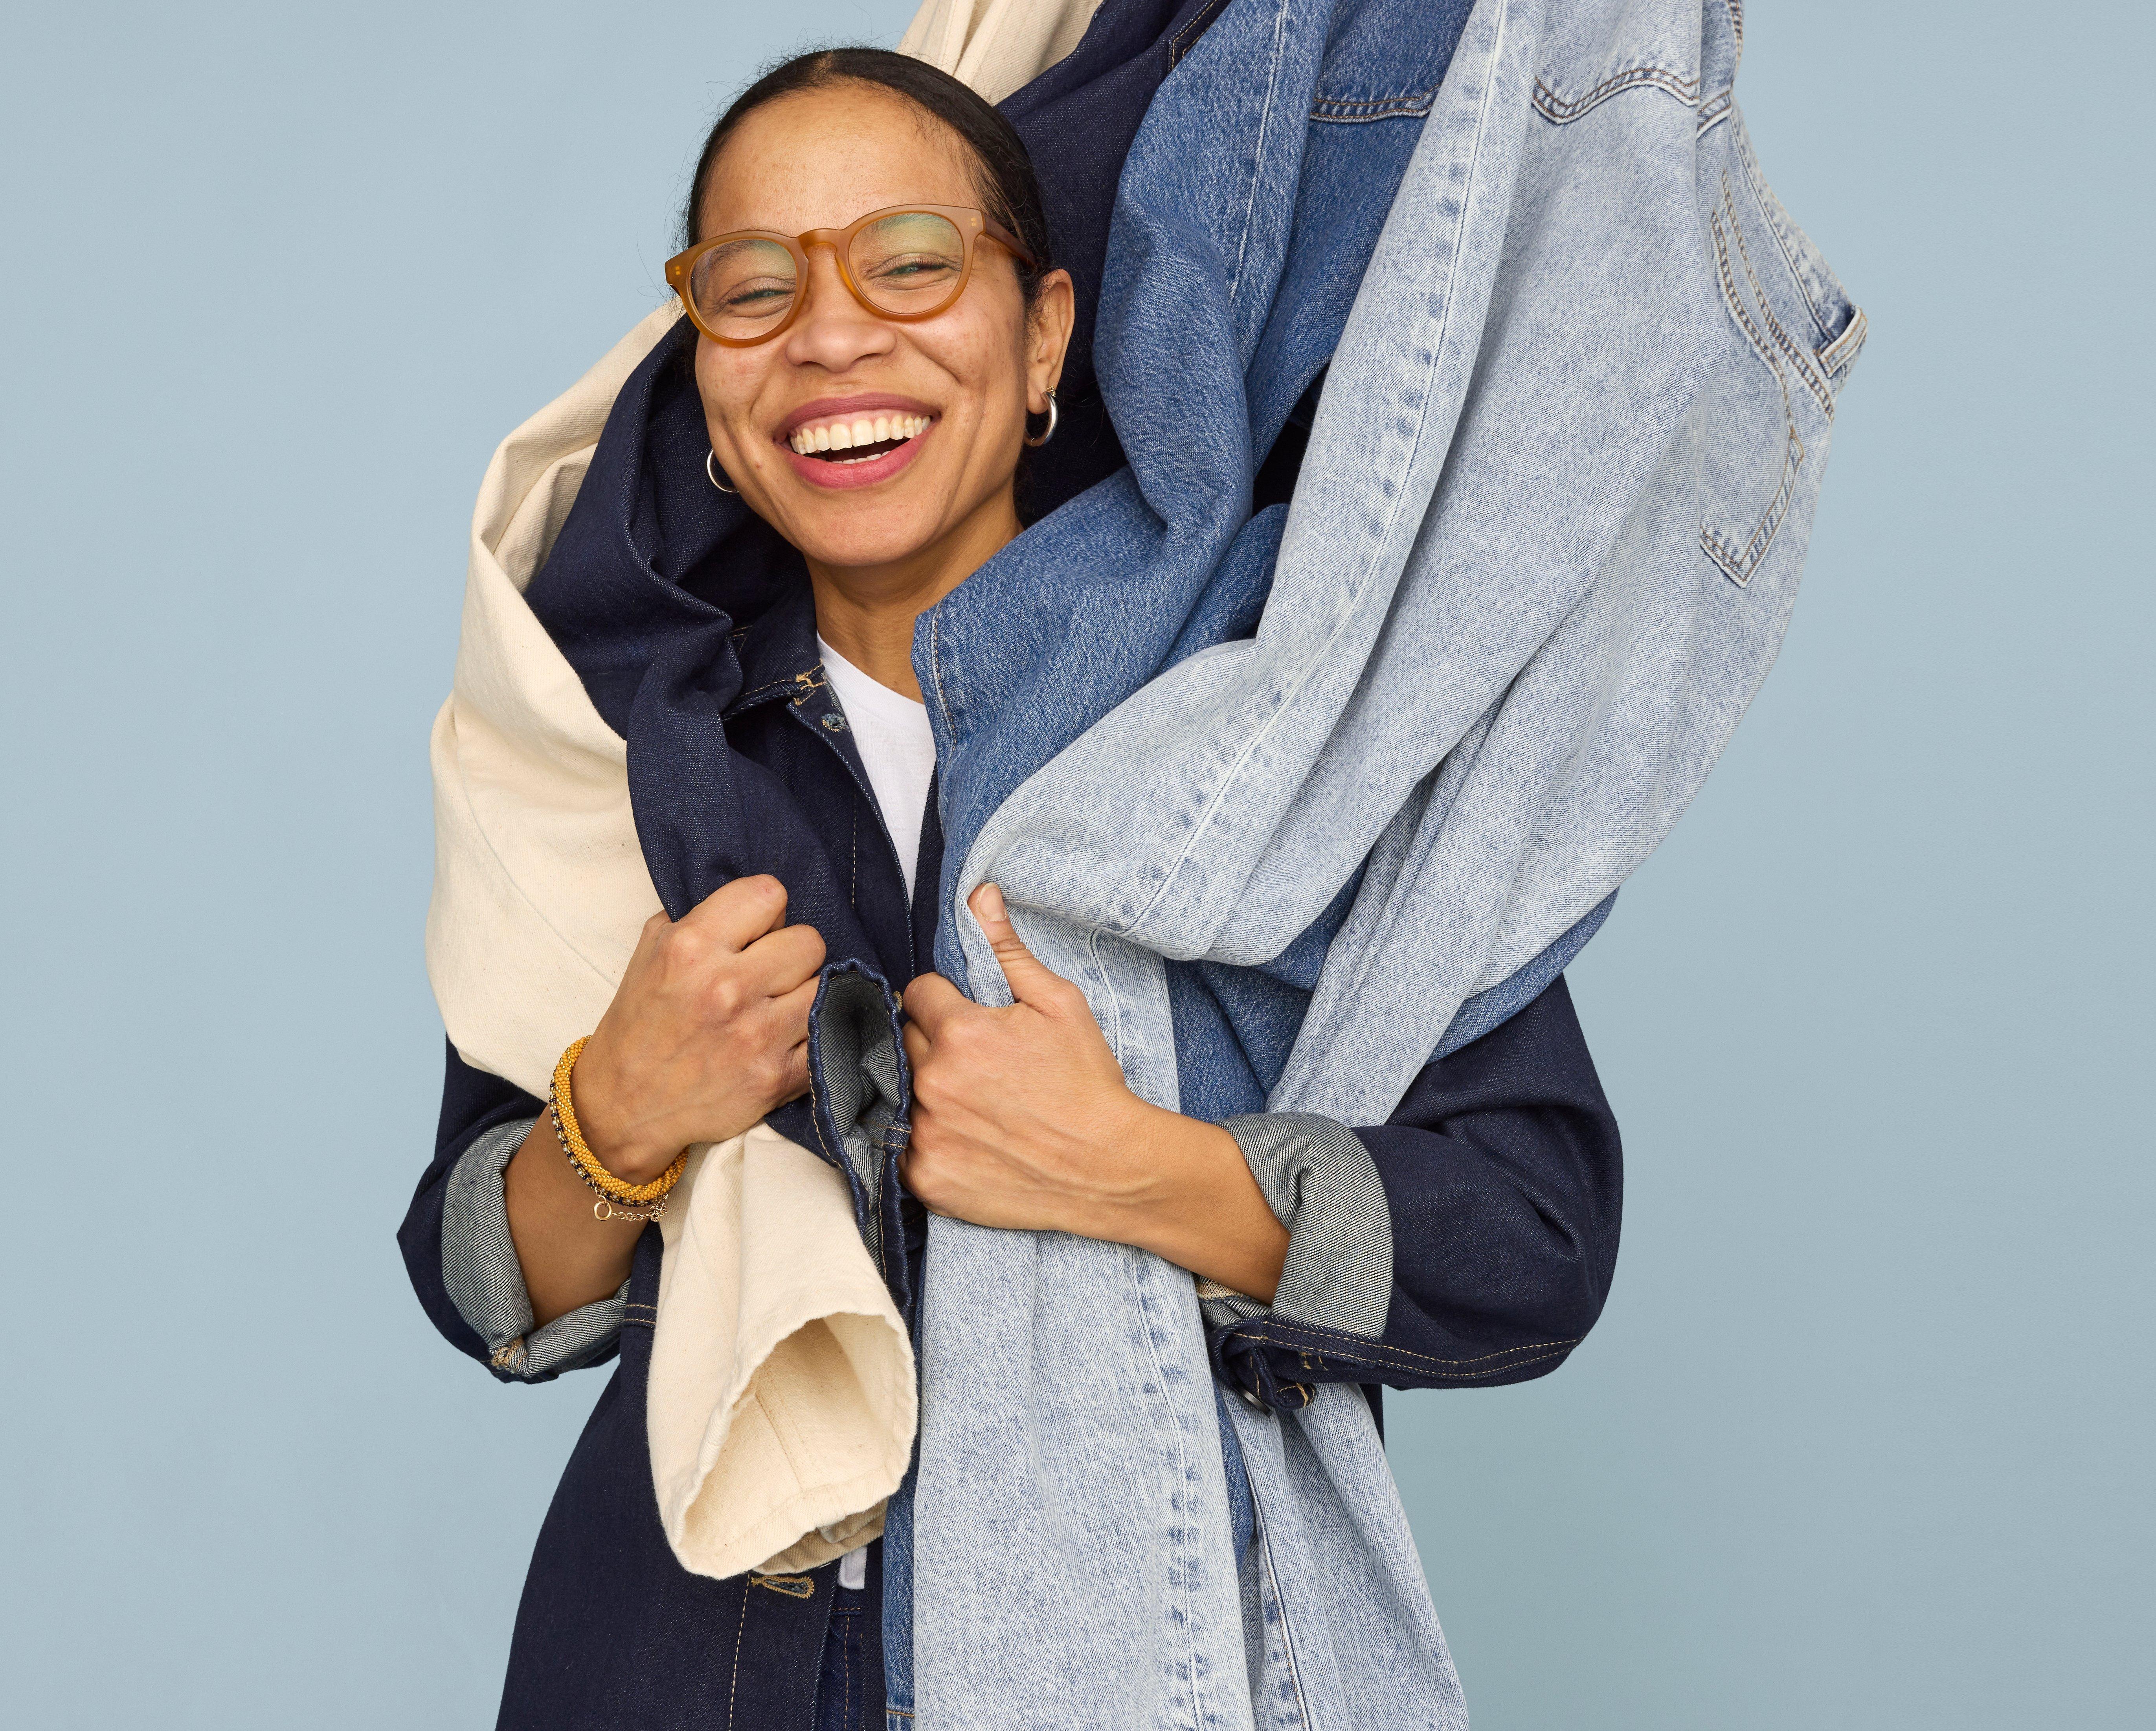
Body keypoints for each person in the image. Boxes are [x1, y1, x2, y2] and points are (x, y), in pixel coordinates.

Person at [403, 46, 1622, 1731]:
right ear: (705, 368)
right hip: (687, 1670)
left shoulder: (1264, 737)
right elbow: (476, 1272)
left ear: (1045, 334)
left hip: (1157, 1657)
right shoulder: (618, 751)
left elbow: (1532, 1231)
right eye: (754, 289)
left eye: (909, 265)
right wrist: (615, 1118)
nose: (832, 337)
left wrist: (1143, 1172)